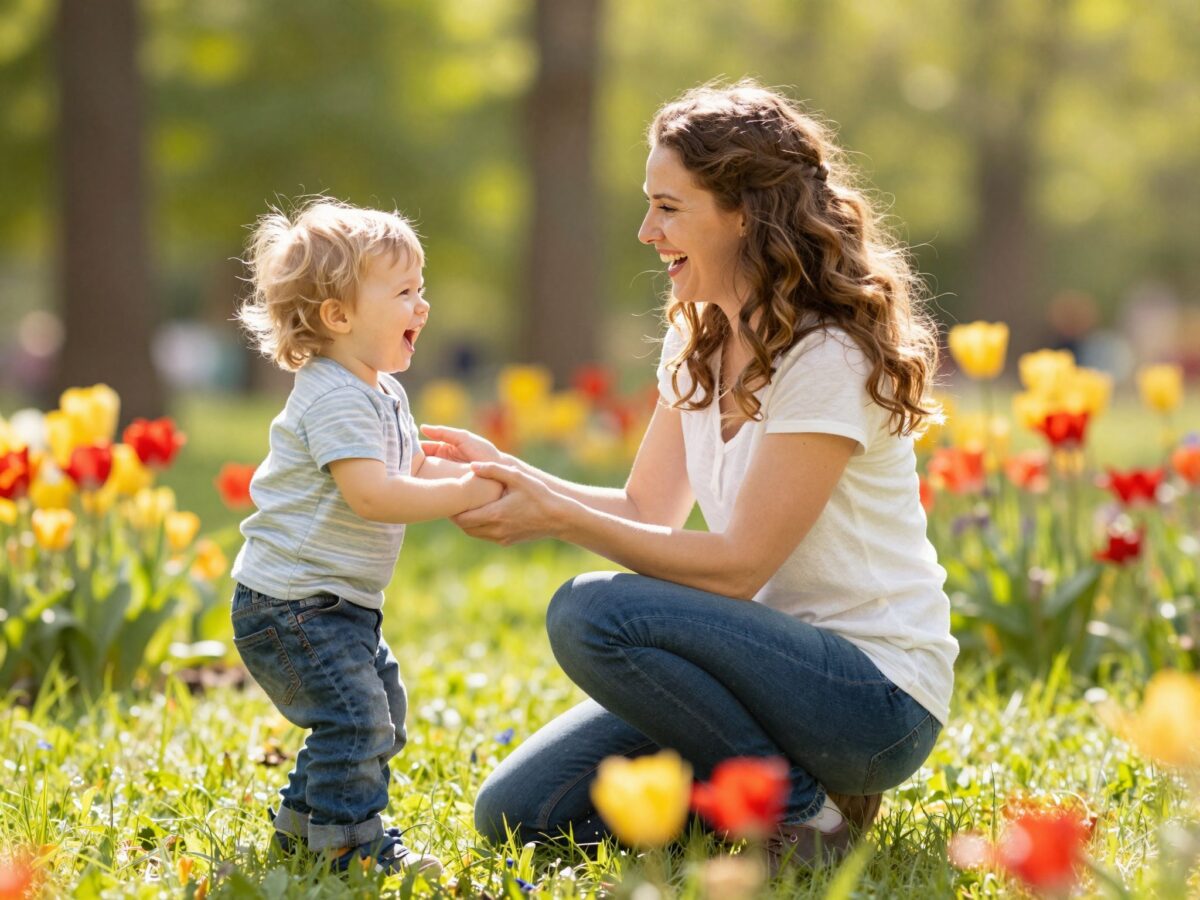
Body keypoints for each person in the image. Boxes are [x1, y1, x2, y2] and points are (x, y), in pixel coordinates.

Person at [422, 82, 958, 872]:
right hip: (755, 679)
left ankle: (797, 814)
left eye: (669, 208)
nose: (646, 231)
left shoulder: (827, 357)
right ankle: (773, 798)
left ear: (745, 212)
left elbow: (740, 566)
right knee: (518, 815)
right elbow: (647, 507)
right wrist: (510, 475)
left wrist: (557, 518)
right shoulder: (700, 342)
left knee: (590, 615)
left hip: (872, 701)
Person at [228, 198, 501, 875]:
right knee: (356, 721)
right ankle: (352, 846)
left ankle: (301, 833)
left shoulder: (380, 391)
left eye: (422, 288)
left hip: (334, 606)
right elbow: (373, 494)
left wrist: (474, 472)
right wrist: (460, 495)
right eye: (405, 292)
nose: (424, 305)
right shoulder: (332, 395)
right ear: (339, 316)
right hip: (292, 607)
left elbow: (404, 468)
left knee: (376, 713)